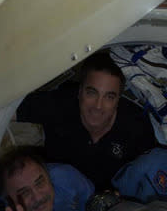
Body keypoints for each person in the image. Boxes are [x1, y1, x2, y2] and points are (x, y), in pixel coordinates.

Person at [17, 52, 157, 191]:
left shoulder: (136, 126)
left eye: (109, 97)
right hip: (60, 194)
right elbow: (7, 110)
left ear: (118, 100)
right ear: (79, 92)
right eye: (92, 93)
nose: (98, 106)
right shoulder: (60, 104)